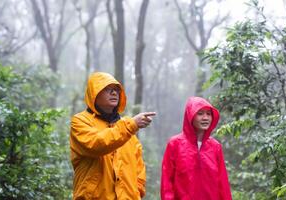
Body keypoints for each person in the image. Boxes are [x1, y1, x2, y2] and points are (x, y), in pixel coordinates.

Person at [70, 72, 155, 200]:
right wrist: (131, 125)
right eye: (107, 89)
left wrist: (137, 192)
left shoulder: (127, 128)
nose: (114, 93)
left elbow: (139, 168)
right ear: (94, 93)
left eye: (116, 90)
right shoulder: (80, 121)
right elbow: (96, 144)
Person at [161, 96, 232, 200]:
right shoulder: (175, 144)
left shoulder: (215, 146)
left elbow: (222, 183)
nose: (205, 118)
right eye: (200, 113)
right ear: (190, 116)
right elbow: (167, 182)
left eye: (208, 114)